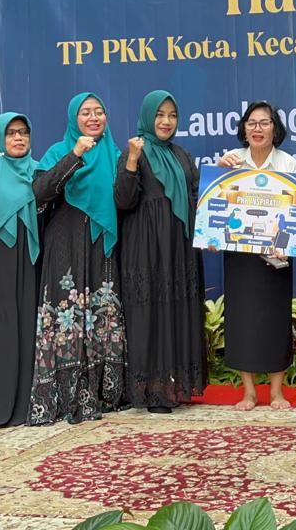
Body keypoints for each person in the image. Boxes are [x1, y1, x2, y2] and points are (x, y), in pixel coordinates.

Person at [0, 113, 79, 430]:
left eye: (23, 132)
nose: (18, 138)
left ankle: (26, 406)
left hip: (31, 268)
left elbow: (50, 202)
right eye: (11, 133)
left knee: (27, 334)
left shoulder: (35, 173)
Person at [31, 92, 126, 425]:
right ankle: (67, 395)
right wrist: (75, 155)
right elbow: (40, 192)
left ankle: (106, 394)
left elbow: (127, 197)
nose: (93, 117)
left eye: (99, 111)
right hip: (66, 245)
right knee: (68, 316)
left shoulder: (115, 155)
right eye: (86, 112)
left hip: (101, 246)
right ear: (74, 118)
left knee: (102, 313)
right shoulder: (59, 151)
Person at [116, 91, 206, 413]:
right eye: (159, 115)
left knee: (177, 309)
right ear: (147, 116)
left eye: (172, 115)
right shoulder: (134, 152)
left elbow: (196, 196)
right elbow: (123, 200)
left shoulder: (182, 156)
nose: (166, 121)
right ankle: (153, 390)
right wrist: (131, 161)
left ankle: (176, 384)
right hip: (146, 248)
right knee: (151, 313)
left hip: (179, 246)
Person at [217, 101, 296, 411]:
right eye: (251, 123)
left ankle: (277, 392)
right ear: (244, 129)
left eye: (264, 123)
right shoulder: (232, 160)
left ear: (275, 129)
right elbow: (216, 204)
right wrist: (221, 171)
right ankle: (249, 392)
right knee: (243, 321)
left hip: (277, 254)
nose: (257, 129)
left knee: (276, 321)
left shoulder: (288, 163)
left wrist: (286, 243)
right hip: (240, 255)